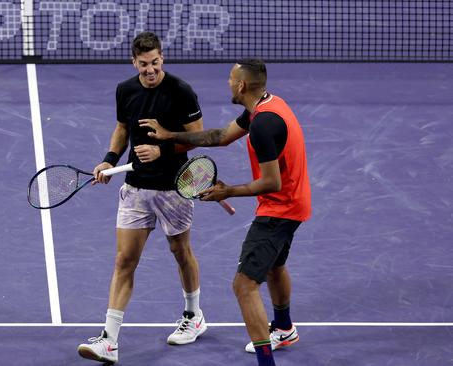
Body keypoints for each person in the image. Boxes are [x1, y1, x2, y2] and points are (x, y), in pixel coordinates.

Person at [139, 59, 311, 366]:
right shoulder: (266, 106)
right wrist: (170, 135)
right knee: (274, 265)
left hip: (280, 209)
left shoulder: (262, 125)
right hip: (296, 202)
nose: (228, 84)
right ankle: (284, 327)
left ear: (242, 86)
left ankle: (266, 362)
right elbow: (218, 136)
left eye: (231, 80)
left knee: (243, 286)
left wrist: (227, 190)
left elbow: (272, 182)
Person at [76, 31, 208, 364]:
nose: (150, 70)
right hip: (135, 189)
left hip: (173, 188)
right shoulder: (126, 90)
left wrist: (162, 149)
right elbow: (122, 128)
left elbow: (199, 138)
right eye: (144, 64)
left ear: (162, 58)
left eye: (155, 63)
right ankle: (110, 340)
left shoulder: (181, 92)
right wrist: (109, 158)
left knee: (180, 251)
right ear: (134, 62)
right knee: (124, 260)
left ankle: (193, 316)